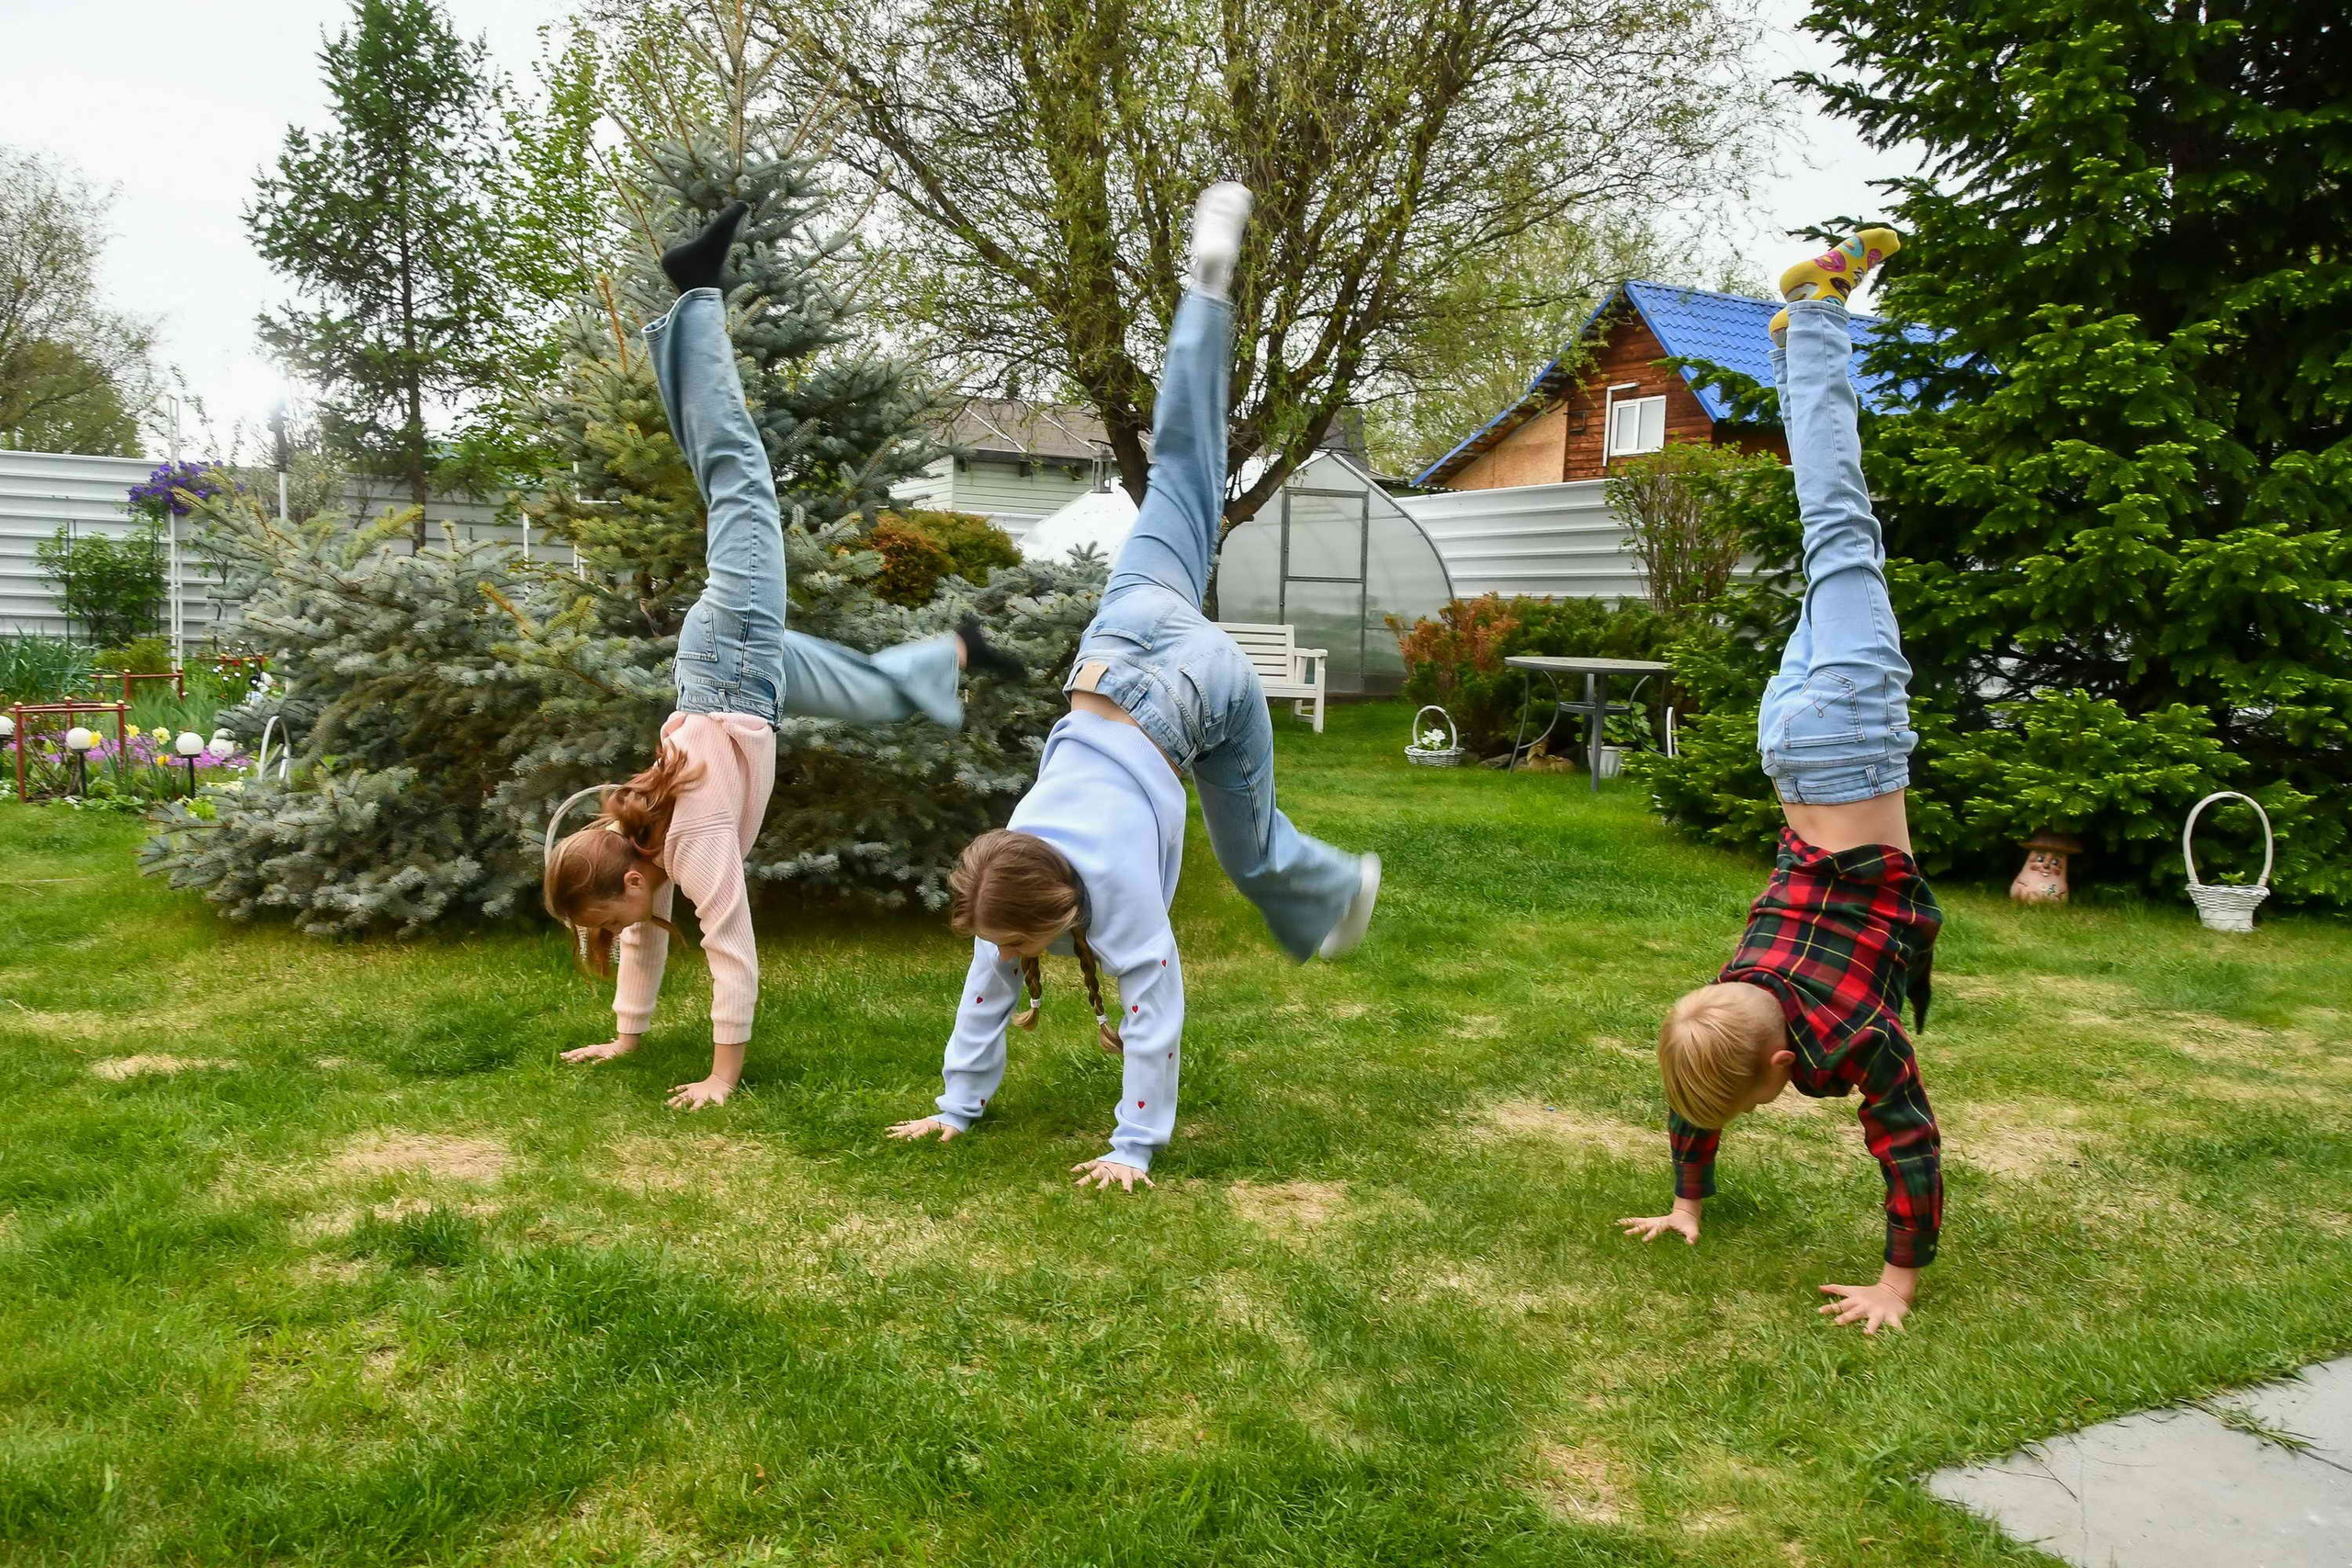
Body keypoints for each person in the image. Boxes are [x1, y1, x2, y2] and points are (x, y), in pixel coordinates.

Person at [885, 182, 1382, 1191]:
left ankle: (1338, 884)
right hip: (1117, 641)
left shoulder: (1106, 900)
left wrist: (1131, 1147)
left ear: (1061, 908)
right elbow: (991, 980)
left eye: (1014, 945)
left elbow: (1153, 1021)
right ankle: (1205, 291)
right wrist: (952, 1109)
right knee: (1188, 466)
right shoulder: (1008, 866)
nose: (1000, 958)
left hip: (1199, 688)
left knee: (1247, 858)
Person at [543, 200, 1022, 1111]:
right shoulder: (638, 853)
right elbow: (645, 934)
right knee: (878, 697)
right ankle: (956, 650)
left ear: (632, 872)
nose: (631, 926)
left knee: (738, 479)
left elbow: (729, 944)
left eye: (618, 910)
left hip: (731, 663)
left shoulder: (694, 841)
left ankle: (698, 292)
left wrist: (723, 1077)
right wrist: (624, 1036)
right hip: (737, 684)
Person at [1617, 231, 1945, 1334]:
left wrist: (1896, 1287)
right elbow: (1694, 1083)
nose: (1764, 1098)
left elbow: (1909, 1139)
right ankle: (1795, 341)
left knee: (1836, 517)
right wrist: (1684, 1200)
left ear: (1772, 1057)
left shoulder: (1846, 1035)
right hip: (1789, 744)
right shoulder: (1728, 988)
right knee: (1825, 544)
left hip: (1849, 732)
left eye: (1758, 1091)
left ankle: (1813, 312)